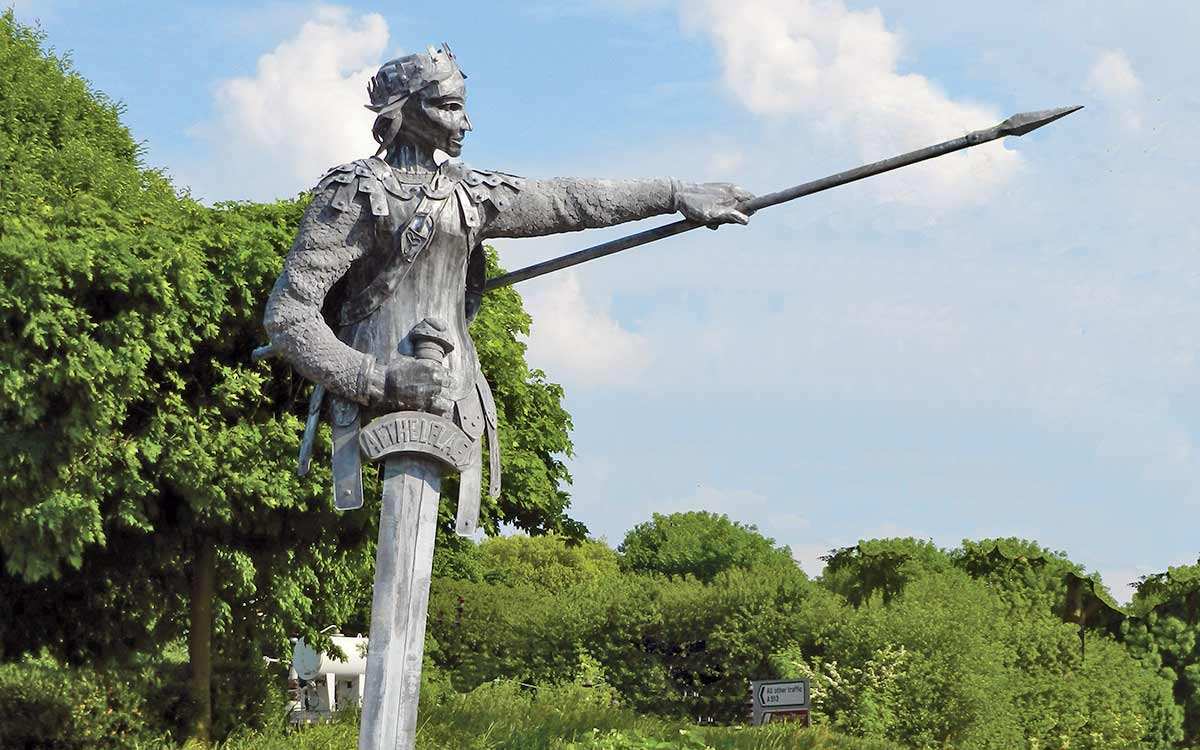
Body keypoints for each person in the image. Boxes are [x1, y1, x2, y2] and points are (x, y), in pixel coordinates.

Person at [263, 44, 752, 507]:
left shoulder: (472, 192)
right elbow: (288, 315)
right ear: (404, 111)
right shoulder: (352, 191)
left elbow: (569, 202)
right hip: (370, 396)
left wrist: (673, 194)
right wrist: (378, 379)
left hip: (454, 394)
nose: (465, 123)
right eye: (449, 106)